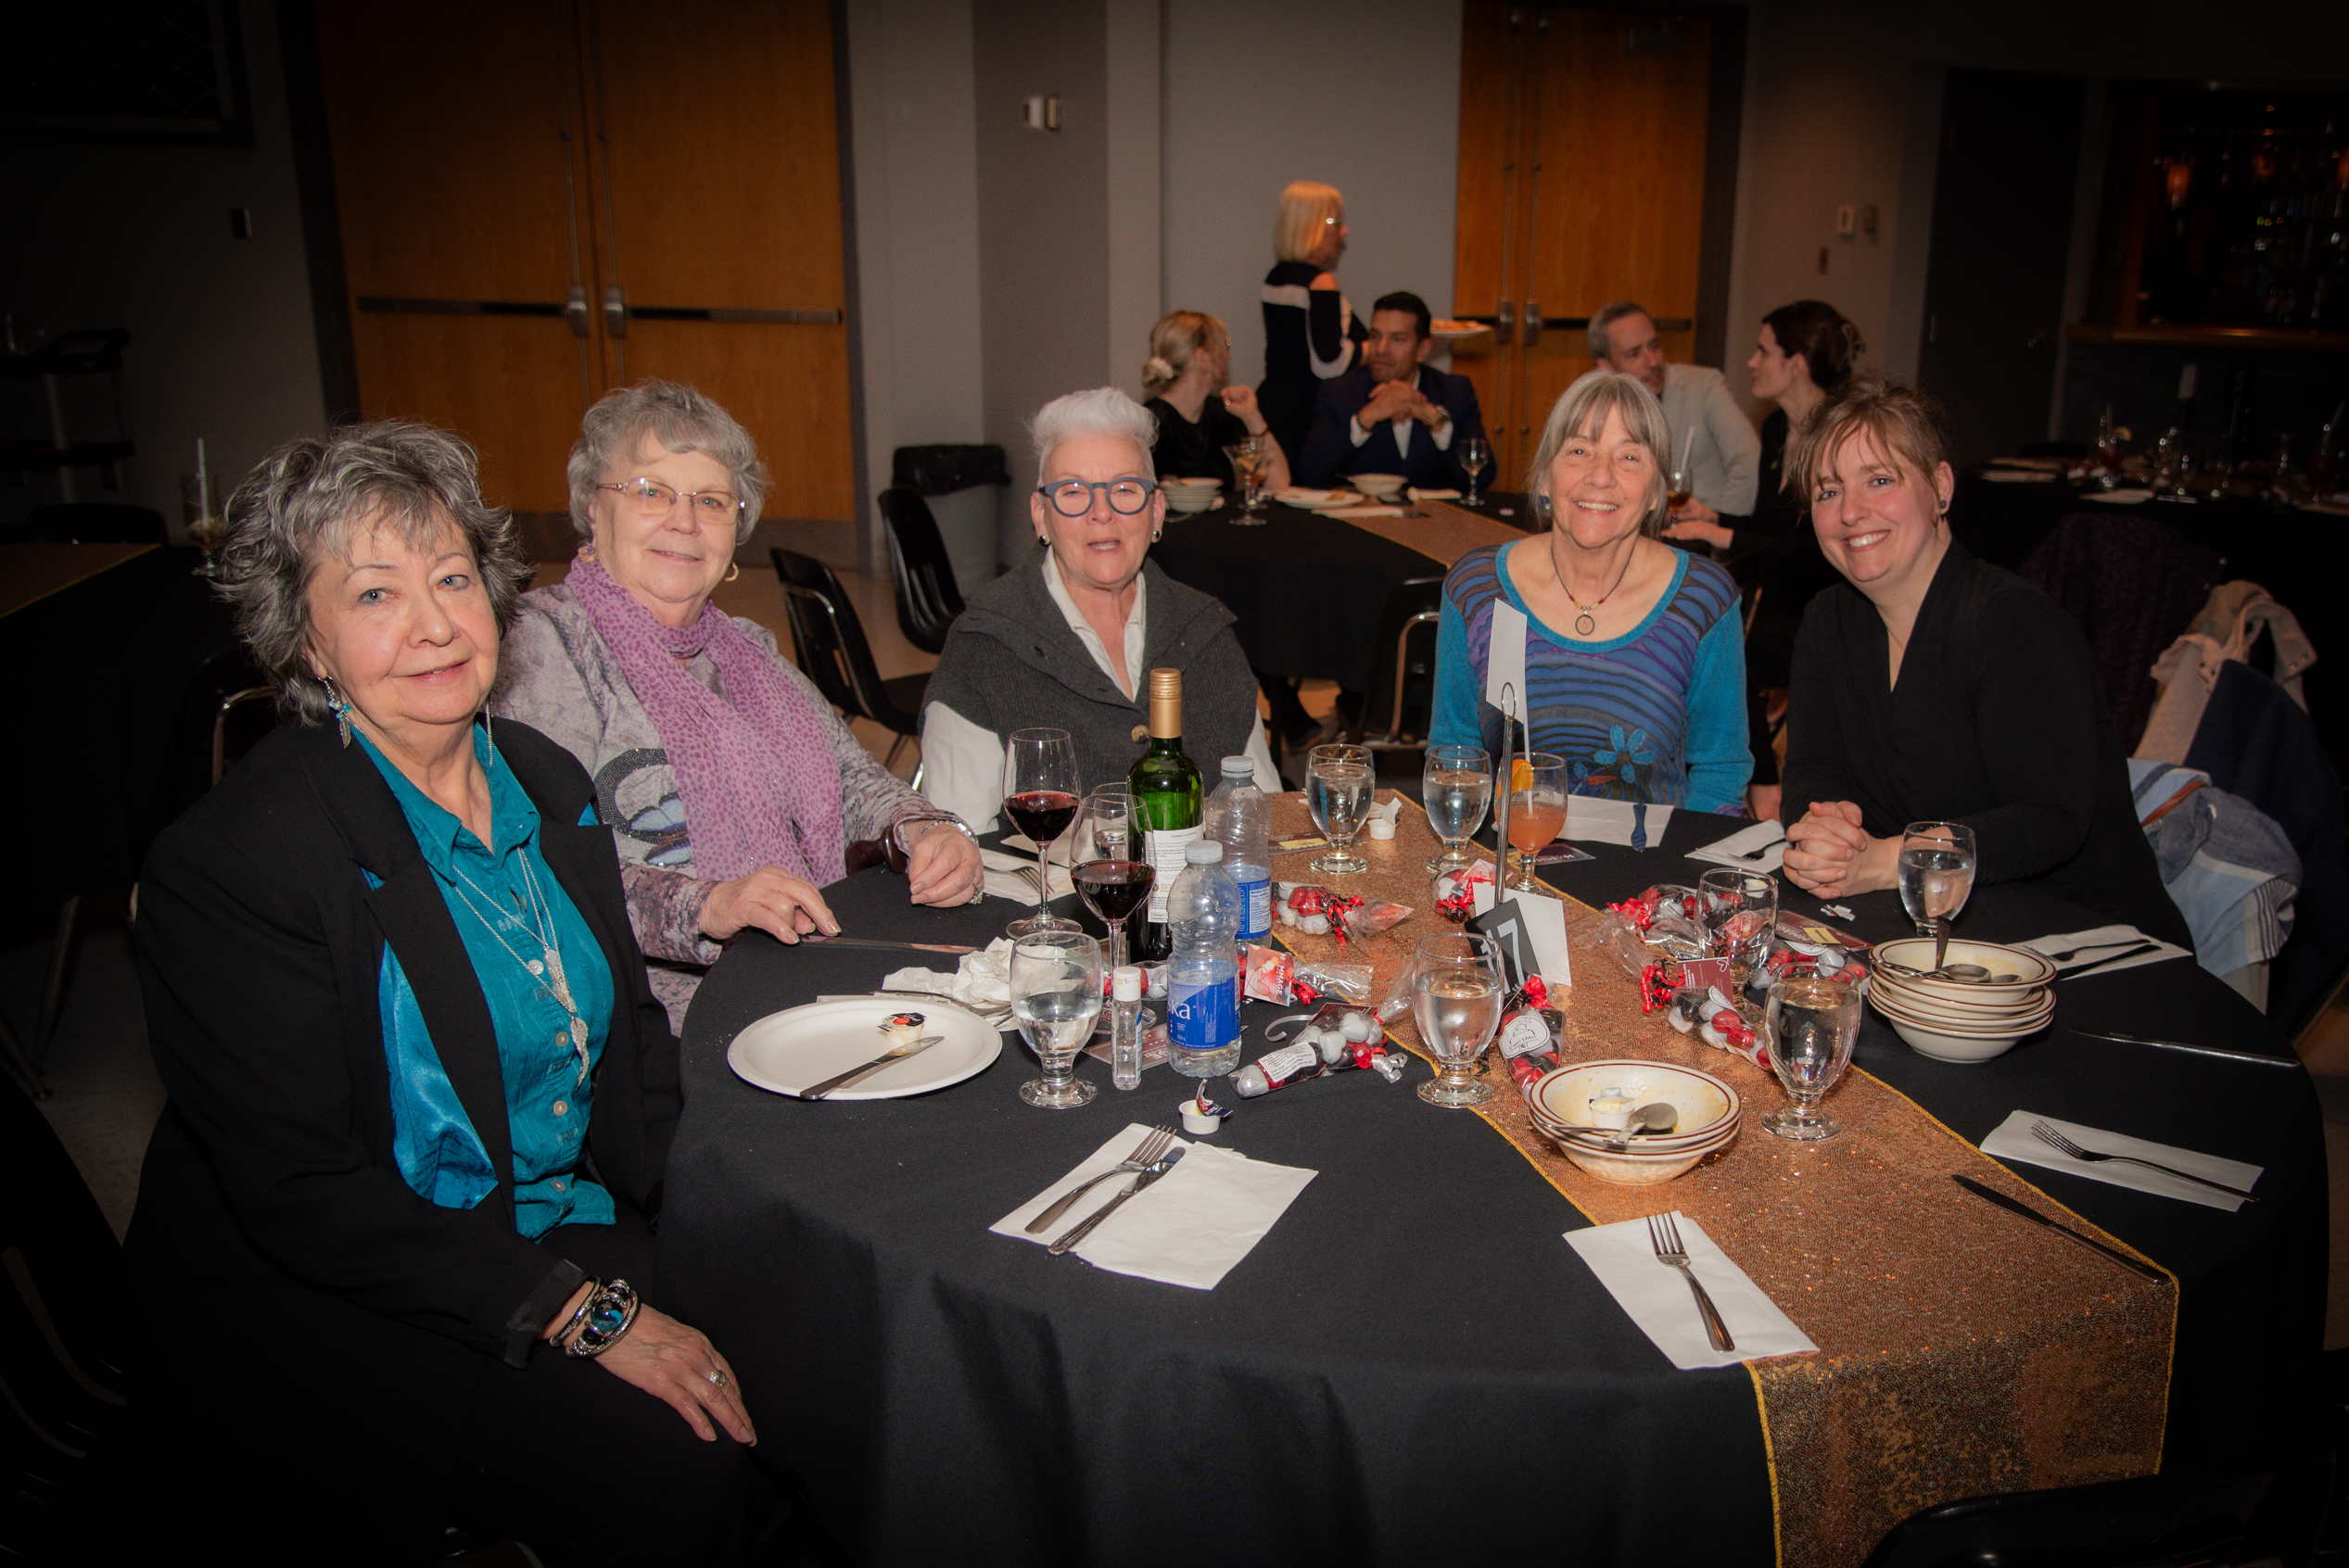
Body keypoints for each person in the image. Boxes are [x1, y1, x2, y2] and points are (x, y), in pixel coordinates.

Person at [120, 423, 760, 1564]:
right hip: (349, 1299)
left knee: (807, 1329)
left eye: (453, 579)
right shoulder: (237, 863)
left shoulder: (546, 781)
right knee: (682, 1452)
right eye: (375, 594)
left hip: (550, 1214)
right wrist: (584, 1313)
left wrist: (721, 1213)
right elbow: (304, 1193)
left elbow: (631, 1052)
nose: (434, 625)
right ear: (306, 642)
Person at [494, 381, 984, 1031]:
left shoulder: (747, 649)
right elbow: (534, 869)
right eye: (650, 492)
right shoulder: (546, 646)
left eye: (710, 500)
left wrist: (925, 829)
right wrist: (709, 905)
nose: (684, 521)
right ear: (592, 504)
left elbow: (853, 781)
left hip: (806, 984)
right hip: (656, 1024)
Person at [1777, 377, 2191, 947]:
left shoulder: (2012, 622)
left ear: (1941, 488)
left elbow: (2050, 819)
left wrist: (1891, 860)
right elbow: (1813, 767)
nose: (1851, 511)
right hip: (1930, 929)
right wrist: (1827, 831)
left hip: (2081, 937)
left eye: (1880, 480)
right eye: (1828, 492)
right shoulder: (1829, 620)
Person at [921, 386, 1280, 829]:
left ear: (1156, 511)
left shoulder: (1207, 634)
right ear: (1041, 515)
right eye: (1073, 492)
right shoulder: (983, 647)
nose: (1102, 513)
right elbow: (959, 840)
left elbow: (1265, 813)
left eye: (1125, 490)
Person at [1429, 372, 1751, 815]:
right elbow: (1454, 759)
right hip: (1511, 847)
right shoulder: (1479, 590)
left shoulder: (1702, 601)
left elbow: (1720, 776)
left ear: (1656, 492)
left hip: (1654, 853)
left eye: (1629, 457)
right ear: (1545, 477)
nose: (1601, 476)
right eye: (1579, 450)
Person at [1661, 299, 1864, 818]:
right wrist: (1715, 516)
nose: (1751, 362)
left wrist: (1720, 532)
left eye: (1763, 351)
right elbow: (1773, 530)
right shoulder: (1777, 429)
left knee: (1735, 653)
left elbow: (1815, 552)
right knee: (1706, 632)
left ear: (1796, 364)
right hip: (1773, 596)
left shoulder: (1839, 440)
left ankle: (1766, 794)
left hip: (1828, 603)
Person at [1298, 290, 1486, 490]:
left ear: (1423, 349)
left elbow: (1483, 478)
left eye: (1397, 339)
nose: (1381, 349)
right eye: (1375, 336)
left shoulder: (1454, 391)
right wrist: (1364, 420)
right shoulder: (1339, 391)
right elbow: (1310, 475)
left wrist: (1433, 419)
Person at [1589, 299, 1760, 516]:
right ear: (1605, 366)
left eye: (1654, 346)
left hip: (1703, 527)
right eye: (1634, 354)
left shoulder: (1703, 387)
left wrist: (1718, 522)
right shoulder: (1597, 410)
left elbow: (1749, 463)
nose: (1653, 362)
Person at [1257, 180, 1366, 464]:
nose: (1344, 231)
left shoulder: (1274, 278)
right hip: (1307, 415)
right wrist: (1373, 349)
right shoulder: (1321, 282)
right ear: (1311, 225)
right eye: (1336, 222)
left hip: (1273, 405)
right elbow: (1329, 363)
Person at [1141, 310, 1292, 494]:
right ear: (1202, 359)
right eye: (1224, 345)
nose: (1227, 355)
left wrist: (1252, 416)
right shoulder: (1150, 423)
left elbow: (1279, 484)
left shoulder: (1221, 415)